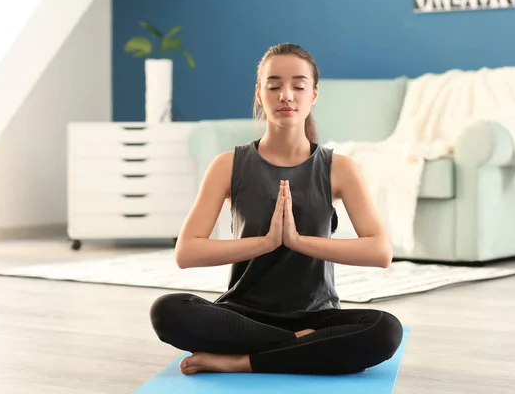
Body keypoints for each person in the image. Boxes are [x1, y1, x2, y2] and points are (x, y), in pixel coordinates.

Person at [149, 43, 403, 376]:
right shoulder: (227, 165)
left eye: (298, 86)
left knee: (385, 330)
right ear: (259, 93)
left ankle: (243, 361)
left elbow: (380, 251)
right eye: (274, 86)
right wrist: (267, 243)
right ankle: (296, 345)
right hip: (243, 315)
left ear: (313, 94)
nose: (286, 95)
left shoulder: (338, 168)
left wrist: (297, 241)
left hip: (316, 314)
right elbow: (187, 252)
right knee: (168, 310)